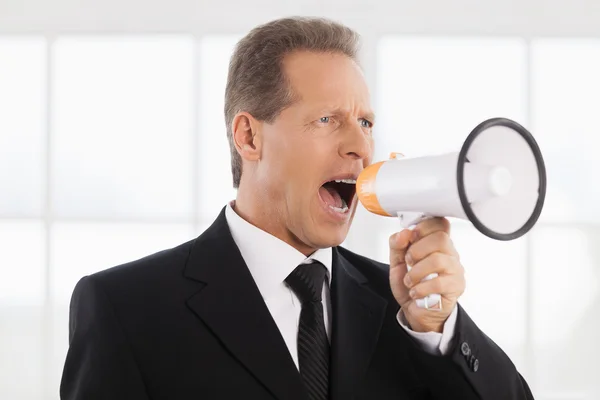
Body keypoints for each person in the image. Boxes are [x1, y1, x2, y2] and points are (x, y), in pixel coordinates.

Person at [60, 17, 534, 400]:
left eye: (366, 121)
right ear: (249, 136)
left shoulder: (407, 311)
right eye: (328, 119)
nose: (359, 147)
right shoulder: (127, 308)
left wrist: (438, 333)